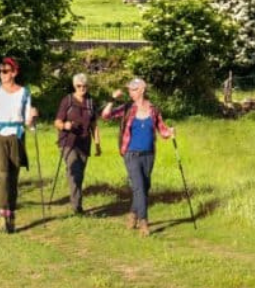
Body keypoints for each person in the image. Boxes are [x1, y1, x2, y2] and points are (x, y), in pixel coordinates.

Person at [101, 78, 174, 236]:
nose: (130, 92)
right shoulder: (127, 108)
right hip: (131, 154)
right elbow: (106, 116)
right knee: (139, 187)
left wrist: (170, 132)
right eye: (129, 89)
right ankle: (144, 222)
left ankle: (133, 214)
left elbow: (162, 130)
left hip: (149, 154)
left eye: (133, 89)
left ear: (142, 90)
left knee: (145, 187)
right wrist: (112, 100)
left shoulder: (153, 109)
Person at [0, 57, 37, 234]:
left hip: (16, 137)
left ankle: (11, 213)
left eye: (5, 71)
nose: (1, 74)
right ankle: (3, 214)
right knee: (2, 175)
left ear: (14, 73)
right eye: (0, 71)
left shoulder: (24, 93)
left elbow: (28, 122)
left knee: (12, 179)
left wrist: (33, 118)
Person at [53, 73, 101, 215]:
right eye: (79, 86)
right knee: (74, 172)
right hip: (68, 142)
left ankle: (76, 203)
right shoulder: (67, 100)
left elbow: (94, 125)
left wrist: (98, 144)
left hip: (84, 142)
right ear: (75, 86)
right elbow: (57, 122)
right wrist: (65, 125)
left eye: (85, 86)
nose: (82, 88)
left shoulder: (91, 102)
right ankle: (77, 206)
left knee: (79, 174)